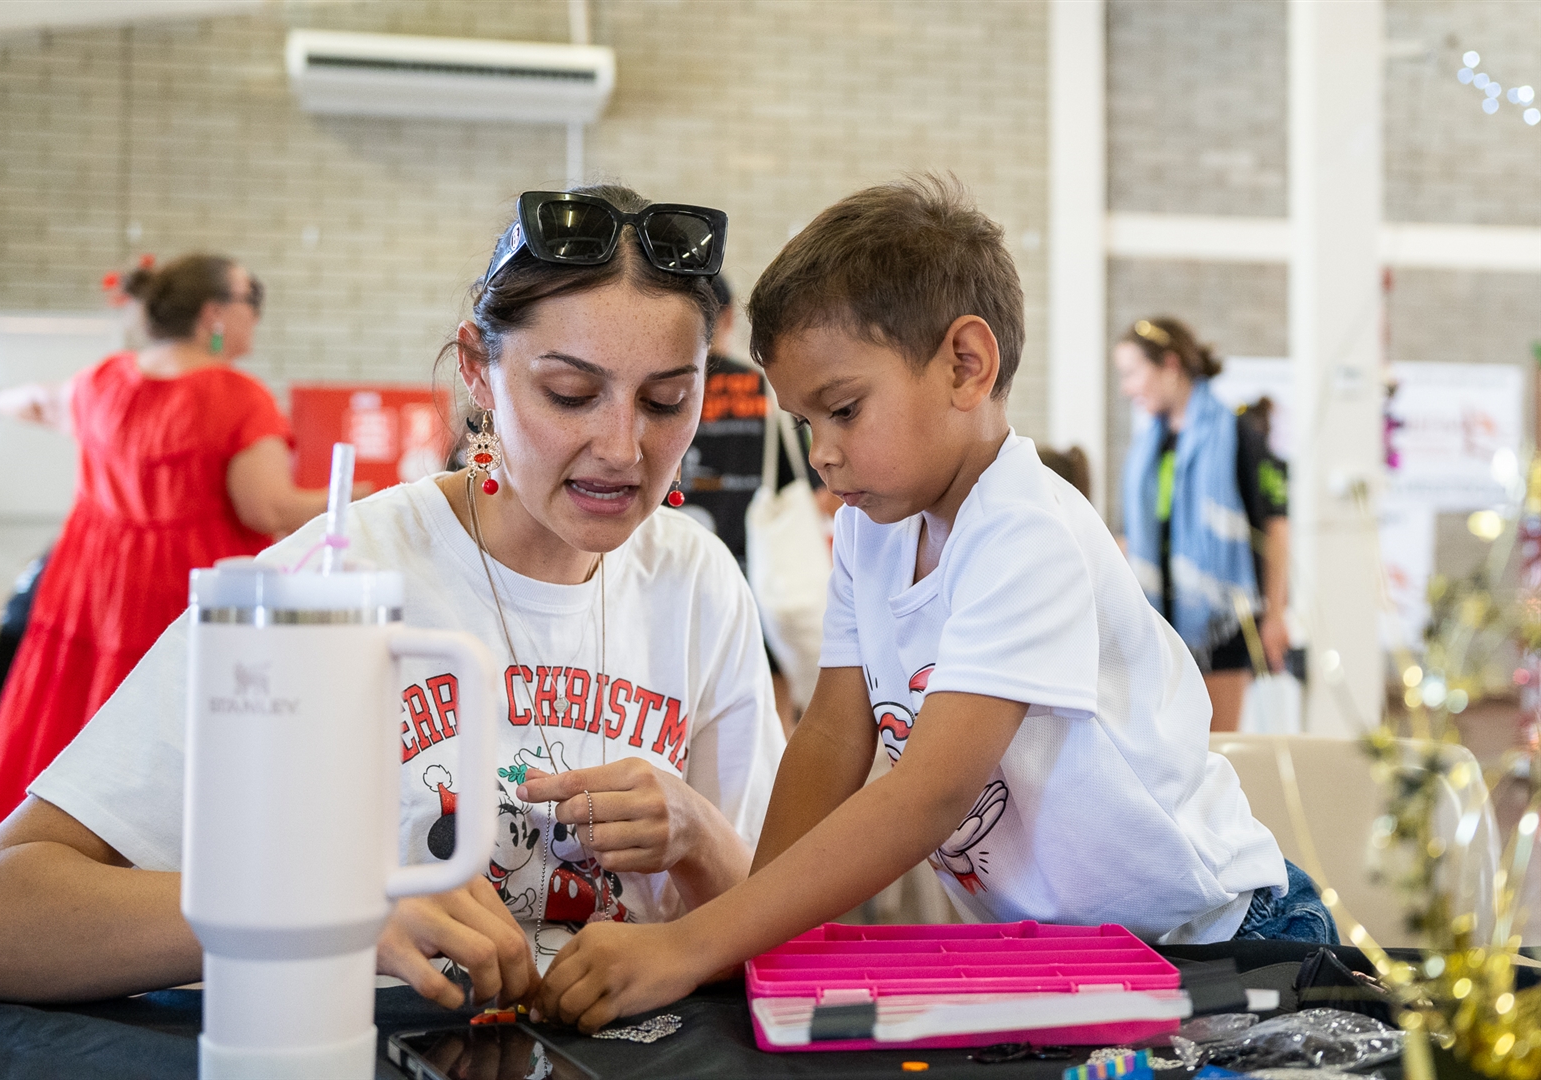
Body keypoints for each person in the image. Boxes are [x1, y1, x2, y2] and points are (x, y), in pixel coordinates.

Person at [0, 185, 784, 1013]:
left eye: (667, 400)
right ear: (479, 372)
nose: (623, 447)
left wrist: (698, 835)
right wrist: (329, 908)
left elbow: (780, 930)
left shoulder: (699, 583)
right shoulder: (327, 581)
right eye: (571, 394)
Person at [531, 176, 1334, 1033]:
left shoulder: (1024, 531)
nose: (822, 454)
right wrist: (748, 940)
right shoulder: (873, 529)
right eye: (805, 424)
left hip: (1219, 939)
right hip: (1075, 958)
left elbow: (929, 793)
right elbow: (832, 737)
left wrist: (694, 944)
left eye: (844, 410)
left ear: (965, 365)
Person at [0, 255, 354, 829]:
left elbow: (38, 401)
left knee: (83, 746)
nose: (257, 315)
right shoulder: (239, 397)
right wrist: (365, 496)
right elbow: (266, 507)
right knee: (182, 769)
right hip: (184, 597)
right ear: (213, 314)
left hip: (90, 594)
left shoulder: (104, 381)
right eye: (252, 299)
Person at [1114, 317, 1291, 732]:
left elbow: (1276, 529)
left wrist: (1275, 615)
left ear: (1170, 365)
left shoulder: (1237, 435)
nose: (1126, 388)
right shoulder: (1147, 448)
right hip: (1158, 626)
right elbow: (1130, 537)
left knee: (1215, 749)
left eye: (1133, 372)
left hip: (1221, 624)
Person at [678, 274, 828, 735]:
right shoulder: (761, 390)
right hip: (754, 578)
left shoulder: (660, 391)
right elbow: (812, 489)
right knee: (767, 708)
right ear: (725, 318)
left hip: (675, 576)